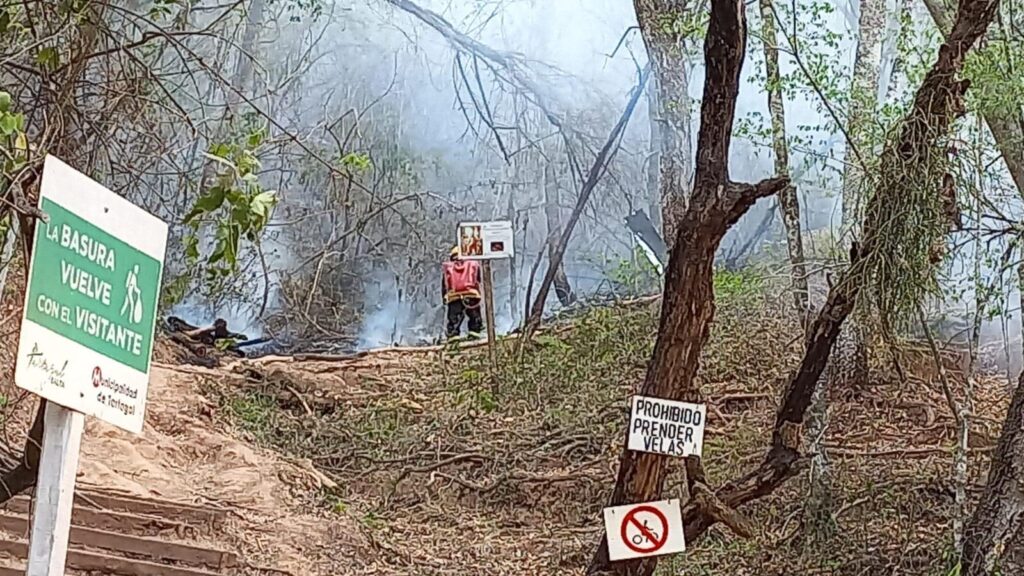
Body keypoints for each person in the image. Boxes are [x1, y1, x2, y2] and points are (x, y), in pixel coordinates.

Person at [442, 246, 483, 339]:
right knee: (474, 316)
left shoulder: (449, 267)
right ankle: (474, 334)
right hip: (471, 294)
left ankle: (453, 336)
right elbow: (478, 279)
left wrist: (444, 297)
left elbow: (445, 284)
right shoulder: (473, 264)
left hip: (454, 296)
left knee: (454, 319)